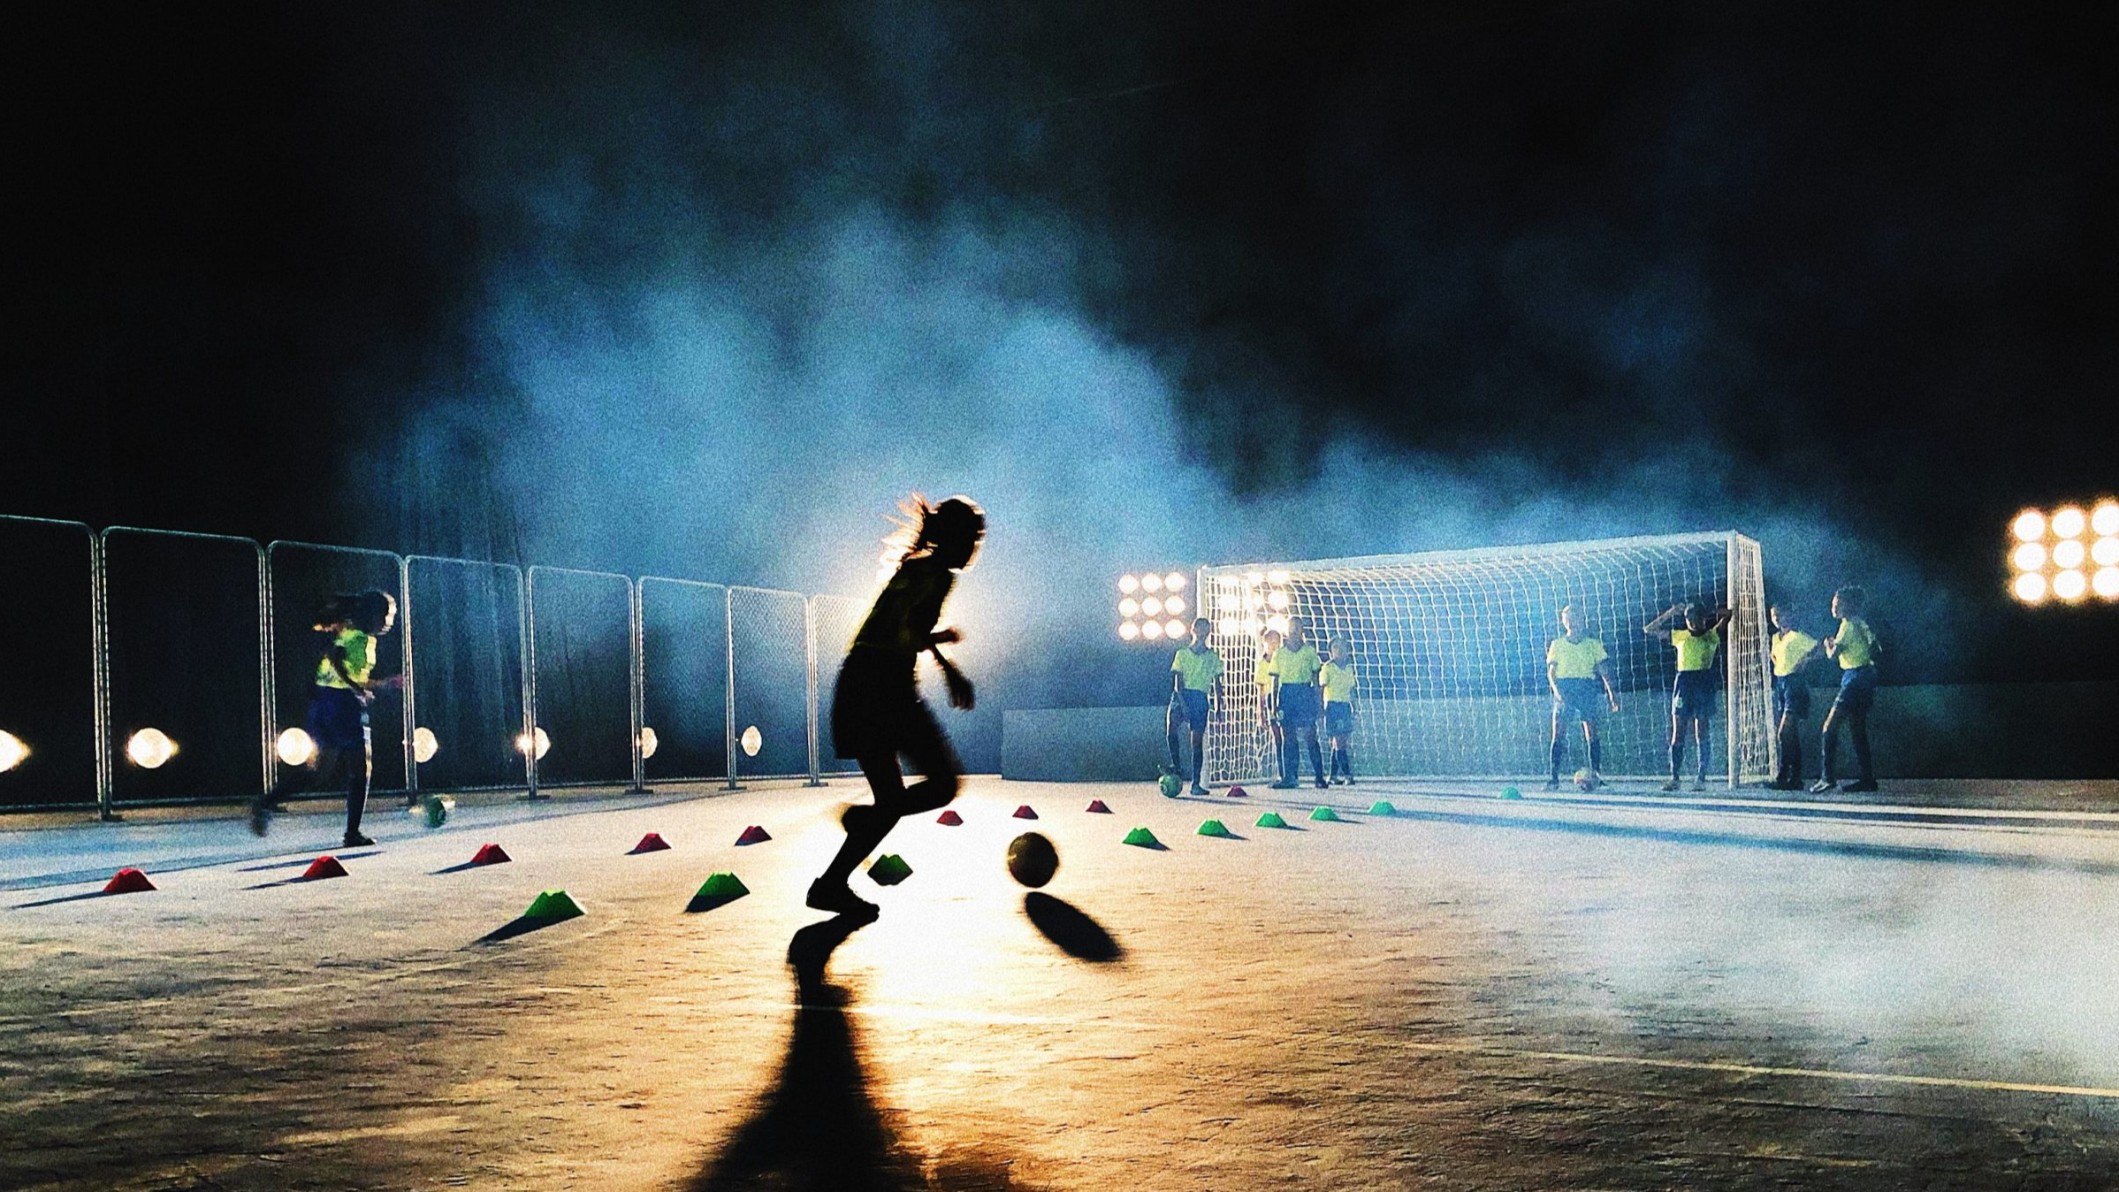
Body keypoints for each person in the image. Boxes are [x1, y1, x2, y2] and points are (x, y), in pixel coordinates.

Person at [806, 495, 984, 919]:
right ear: (957, 538)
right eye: (974, 536)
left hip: (858, 680)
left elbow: (898, 627)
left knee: (891, 800)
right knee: (942, 785)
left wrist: (937, 642)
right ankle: (863, 827)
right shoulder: (938, 576)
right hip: (884, 685)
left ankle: (831, 884)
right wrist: (948, 668)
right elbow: (906, 629)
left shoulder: (917, 567)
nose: (976, 545)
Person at [250, 590, 403, 846]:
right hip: (342, 706)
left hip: (324, 703)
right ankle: (352, 833)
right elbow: (335, 658)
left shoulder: (356, 635)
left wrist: (384, 684)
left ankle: (266, 802)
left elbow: (349, 673)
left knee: (319, 771)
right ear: (372, 615)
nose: (389, 621)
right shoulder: (357, 636)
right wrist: (356, 690)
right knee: (360, 769)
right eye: (386, 615)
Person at [1644, 601, 1732, 792]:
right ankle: (1674, 777)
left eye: (1696, 618)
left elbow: (1728, 613)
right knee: (1678, 732)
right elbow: (1649, 629)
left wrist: (1709, 611)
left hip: (1703, 682)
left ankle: (1701, 777)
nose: (1692, 622)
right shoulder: (1679, 635)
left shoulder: (1711, 635)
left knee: (1701, 731)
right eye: (1689, 618)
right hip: (1683, 683)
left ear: (1702, 619)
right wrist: (1671, 612)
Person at [1813, 586, 1881, 793]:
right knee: (1857, 729)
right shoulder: (1861, 623)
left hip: (1855, 678)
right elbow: (1875, 647)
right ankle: (1867, 778)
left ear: (1849, 605)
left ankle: (1827, 777)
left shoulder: (1848, 625)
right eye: (1833, 603)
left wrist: (1828, 645)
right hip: (1867, 675)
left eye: (1837, 604)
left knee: (1829, 727)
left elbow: (1833, 655)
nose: (1833, 607)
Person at [1546, 602, 1619, 791]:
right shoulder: (1557, 644)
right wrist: (1556, 691)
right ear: (1564, 622)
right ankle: (1553, 778)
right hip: (1565, 687)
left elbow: (1604, 671)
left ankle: (1596, 775)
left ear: (1582, 620)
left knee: (1592, 731)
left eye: (1575, 618)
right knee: (1559, 733)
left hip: (1586, 687)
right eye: (1568, 619)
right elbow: (1551, 673)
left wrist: (1612, 694)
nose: (1572, 622)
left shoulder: (1593, 645)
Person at [1767, 603, 1822, 790]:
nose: (1777, 618)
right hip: (1780, 684)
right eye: (1774, 615)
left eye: (1780, 614)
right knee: (1790, 735)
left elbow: (1819, 648)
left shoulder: (1797, 636)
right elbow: (1774, 656)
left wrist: (1806, 659)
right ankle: (1795, 778)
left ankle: (1784, 773)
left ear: (1790, 615)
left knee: (1784, 732)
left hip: (1794, 684)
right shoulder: (1775, 638)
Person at [1269, 617, 1326, 790]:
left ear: (1302, 631)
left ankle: (1319, 776)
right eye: (1291, 628)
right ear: (1287, 631)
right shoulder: (1279, 653)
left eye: (1297, 628)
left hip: (1304, 693)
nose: (1294, 632)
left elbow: (1316, 680)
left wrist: (1319, 703)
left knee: (1310, 735)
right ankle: (1290, 777)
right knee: (1289, 736)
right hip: (1287, 695)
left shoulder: (1309, 652)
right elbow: (1275, 682)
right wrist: (1273, 705)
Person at [1167, 617, 1222, 796]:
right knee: (1171, 728)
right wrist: (1183, 705)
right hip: (1182, 695)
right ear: (1193, 630)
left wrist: (1220, 707)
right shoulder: (1182, 654)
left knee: (1196, 741)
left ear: (1209, 633)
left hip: (1200, 697)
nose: (1202, 632)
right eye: (1199, 628)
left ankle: (1196, 783)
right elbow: (1177, 682)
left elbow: (1218, 684)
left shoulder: (1212, 656)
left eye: (1206, 629)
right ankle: (1176, 767)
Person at [1319, 637, 1358, 785]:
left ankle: (1333, 775)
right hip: (1333, 706)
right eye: (1335, 647)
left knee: (1340, 742)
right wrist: (1321, 707)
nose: (1339, 650)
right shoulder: (1327, 668)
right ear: (1330, 651)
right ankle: (1347, 775)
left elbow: (1352, 689)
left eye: (1342, 647)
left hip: (1345, 706)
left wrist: (1354, 707)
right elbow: (1321, 688)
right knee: (1337, 741)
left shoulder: (1349, 668)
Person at [1256, 628, 1286, 785]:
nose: (1274, 646)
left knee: (1288, 735)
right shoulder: (1263, 664)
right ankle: (1282, 772)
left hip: (1284, 698)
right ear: (1264, 644)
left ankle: (1289, 772)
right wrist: (1261, 712)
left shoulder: (1284, 659)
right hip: (1270, 700)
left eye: (1276, 642)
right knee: (1277, 738)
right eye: (1270, 643)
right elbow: (1260, 691)